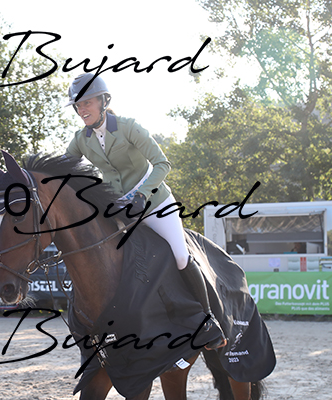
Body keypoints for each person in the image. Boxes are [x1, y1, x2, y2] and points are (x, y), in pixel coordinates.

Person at [64, 73, 226, 350]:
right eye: (78, 106)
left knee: (180, 255)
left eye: (87, 103)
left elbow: (162, 164)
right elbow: (63, 170)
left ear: (103, 101)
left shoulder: (129, 127)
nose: (82, 110)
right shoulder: (81, 139)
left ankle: (207, 320)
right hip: (120, 210)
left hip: (154, 202)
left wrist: (142, 194)